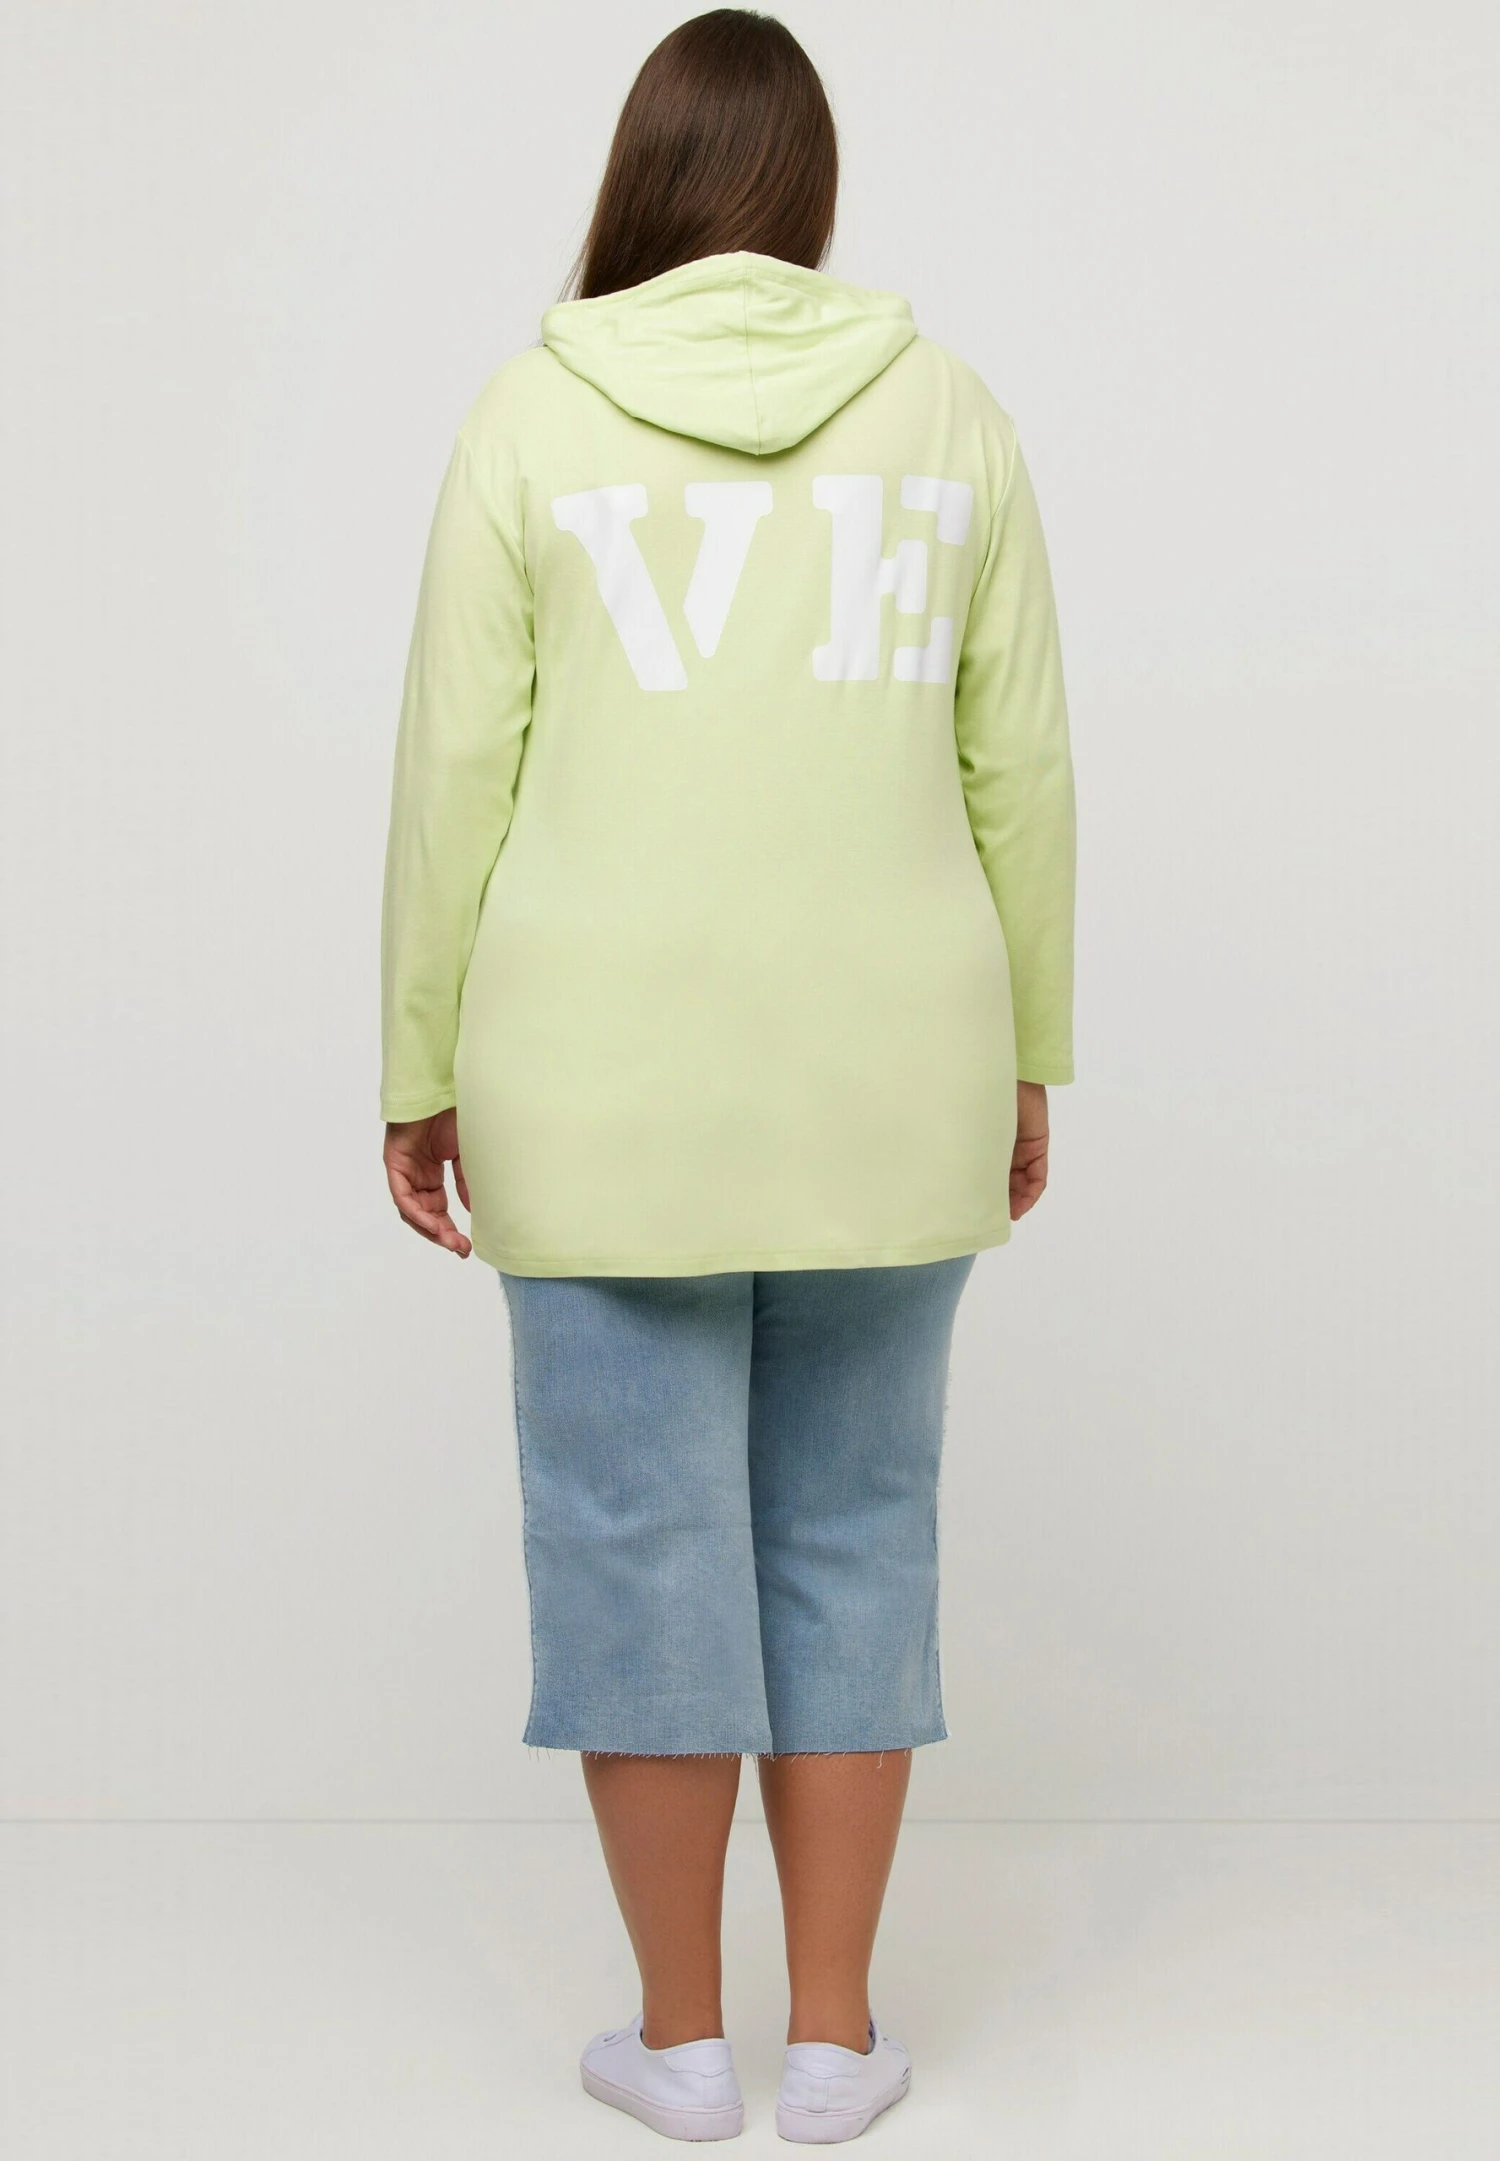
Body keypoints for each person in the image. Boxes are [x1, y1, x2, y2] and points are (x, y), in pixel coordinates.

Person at [379, 8, 1076, 2143]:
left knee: (635, 1539)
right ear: (809, 189)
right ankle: (839, 2041)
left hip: (592, 1076)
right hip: (896, 1066)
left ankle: (679, 2043)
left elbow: (457, 772)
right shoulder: (948, 411)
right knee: (857, 1528)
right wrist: (1030, 1054)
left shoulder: (530, 415)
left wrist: (418, 1064)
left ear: (643, 177)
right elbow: (1019, 767)